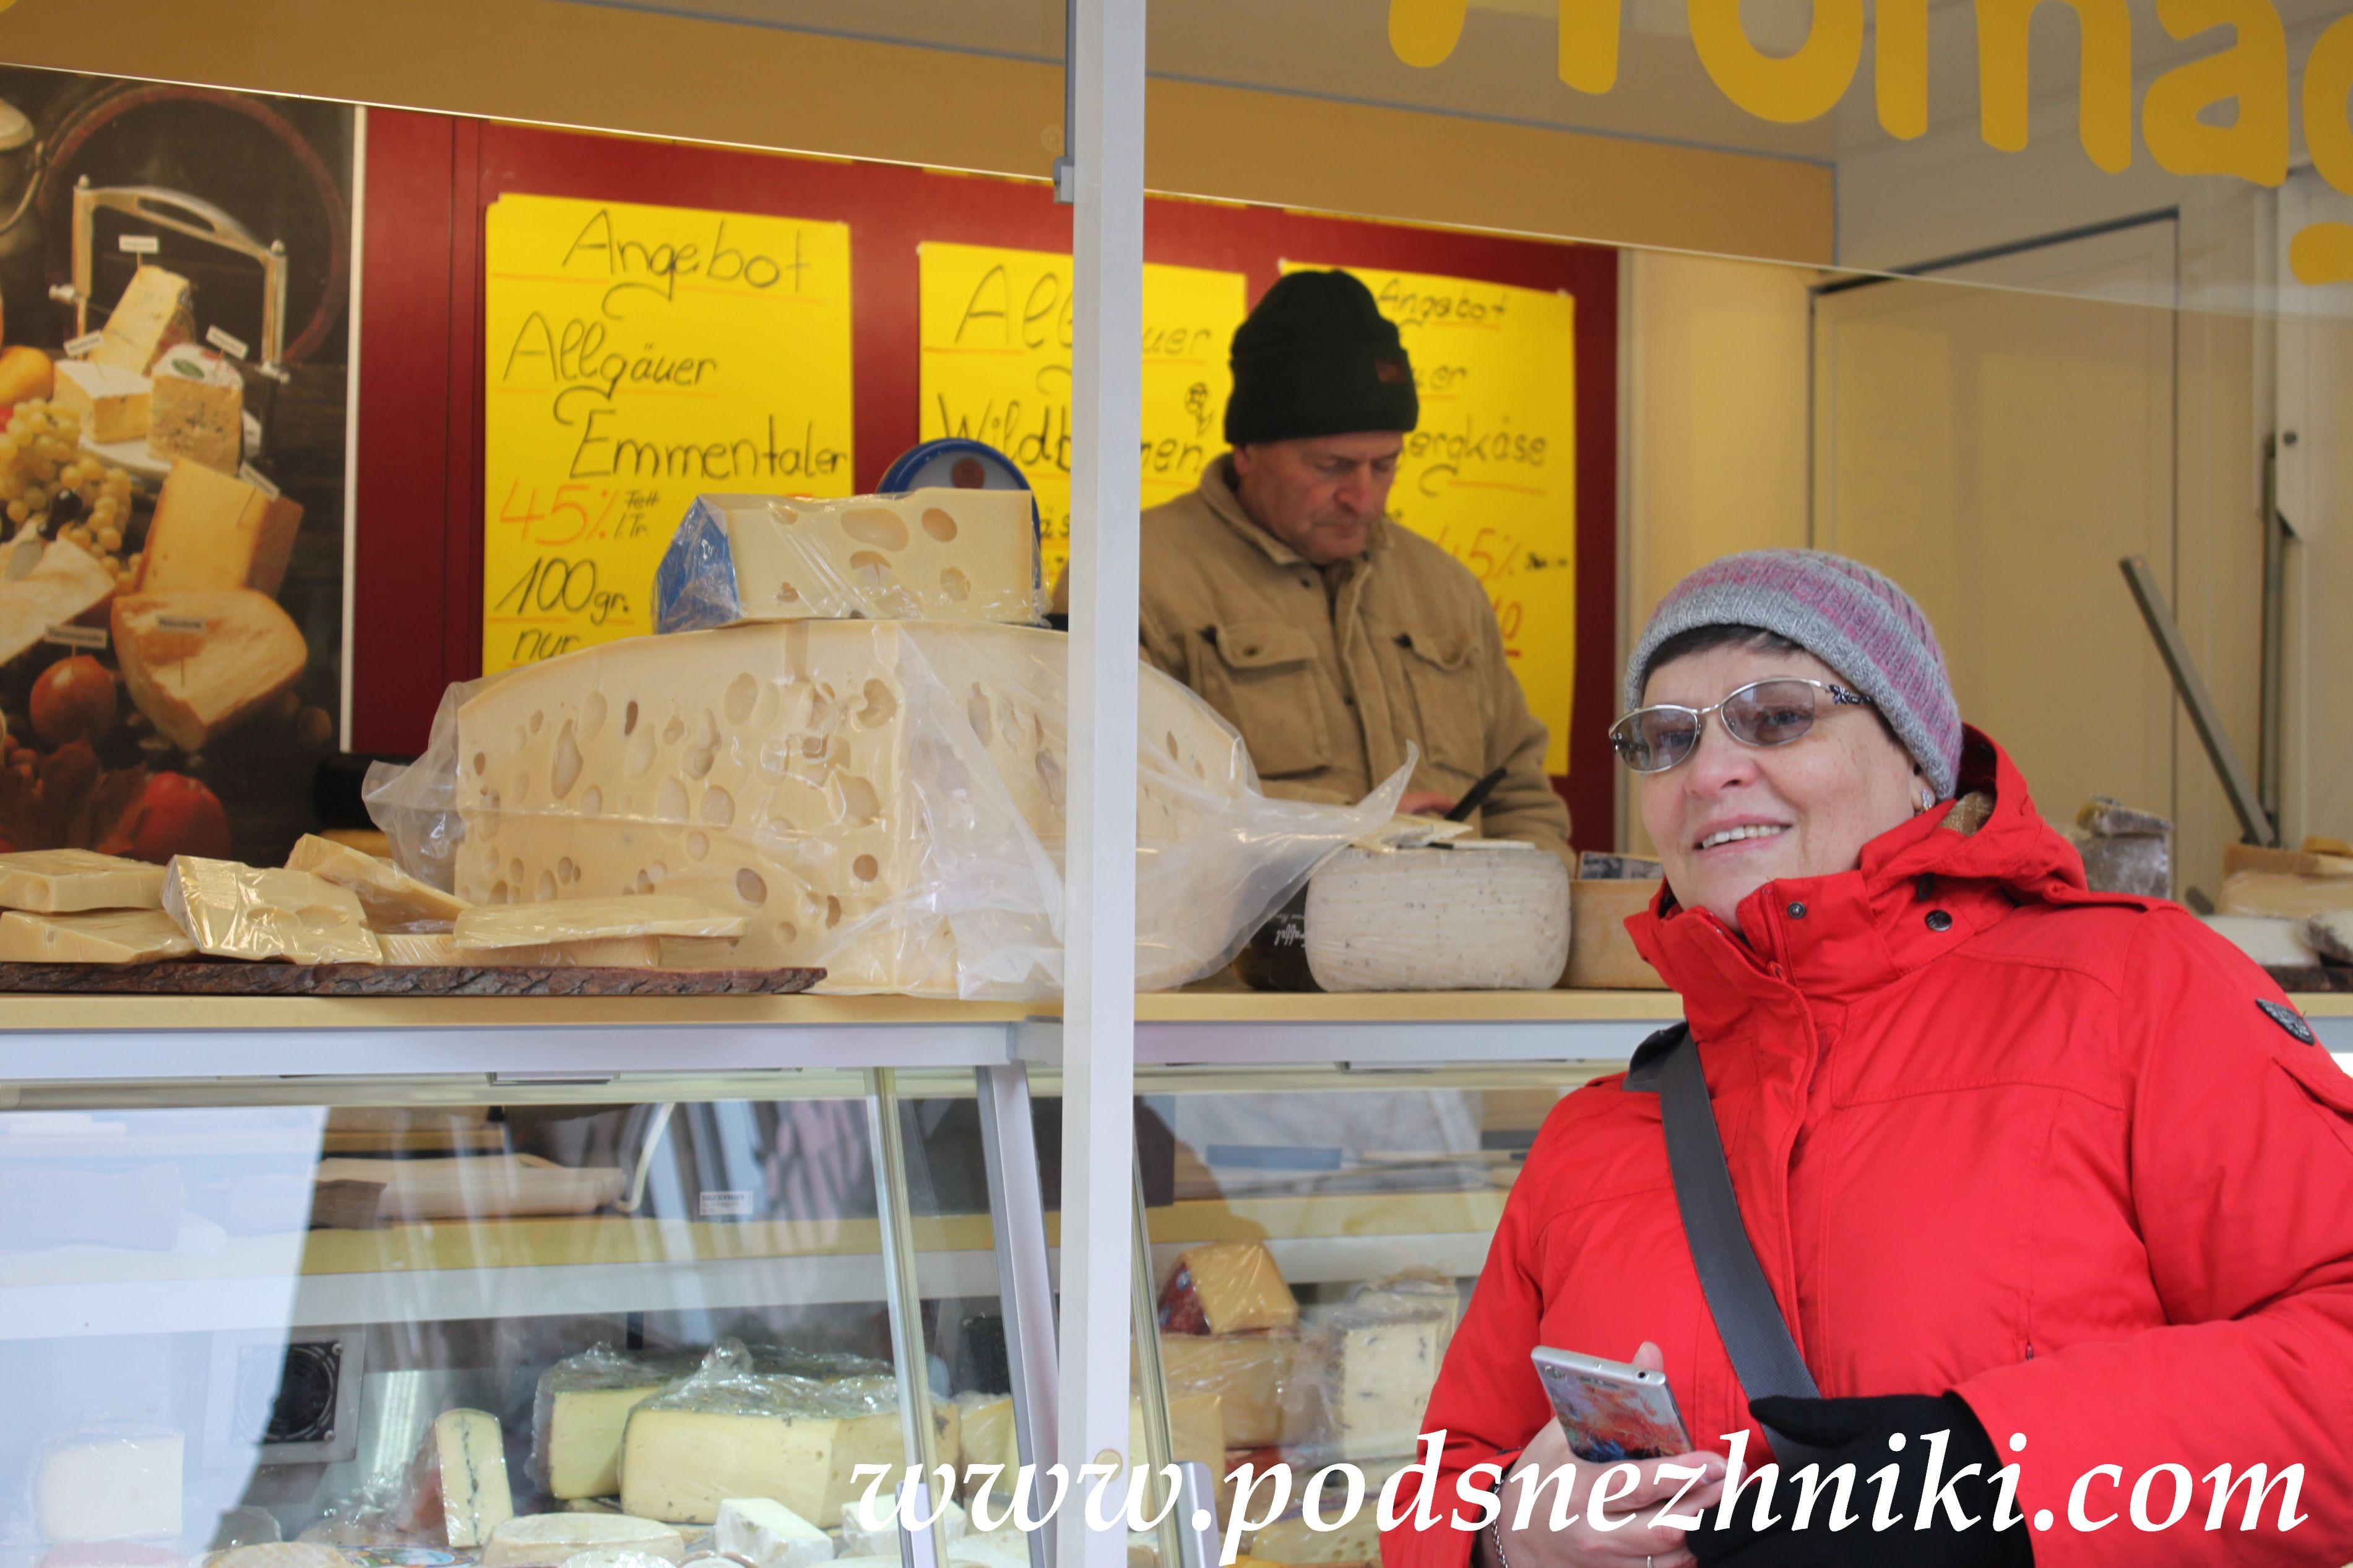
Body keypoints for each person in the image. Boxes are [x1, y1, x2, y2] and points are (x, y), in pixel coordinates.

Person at [1383, 549, 2353, 1568]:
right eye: (1666, 739)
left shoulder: (2132, 987)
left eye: (1776, 716)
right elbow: (1440, 1483)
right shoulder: (1593, 1134)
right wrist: (1507, 1534)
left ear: (1916, 755)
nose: (1709, 770)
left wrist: (2001, 1476)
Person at [1053, 269, 1569, 861]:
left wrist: (1525, 916)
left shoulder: (1448, 591)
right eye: (1330, 466)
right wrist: (1348, 827)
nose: (1363, 498)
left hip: (1458, 949)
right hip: (1244, 954)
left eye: (1385, 465)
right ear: (1246, 450)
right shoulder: (1136, 579)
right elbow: (1120, 797)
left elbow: (1523, 801)